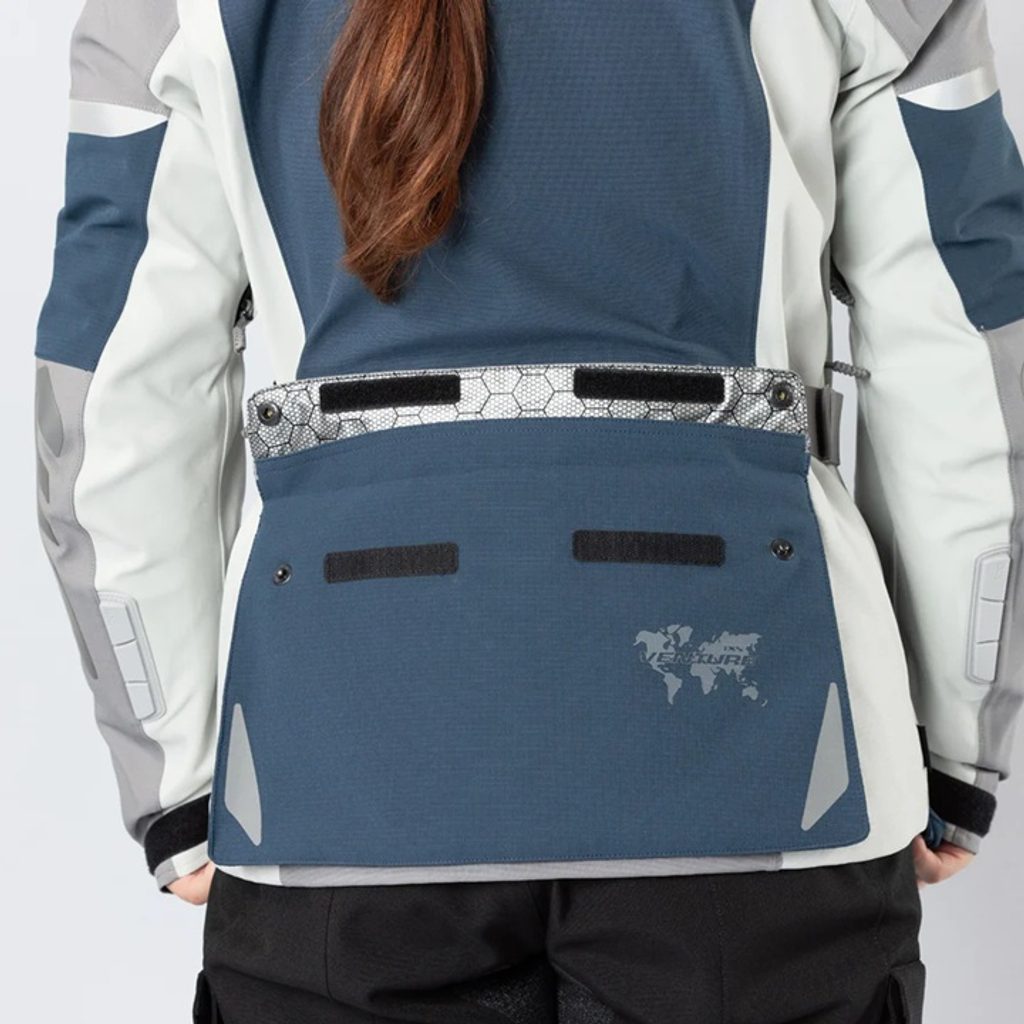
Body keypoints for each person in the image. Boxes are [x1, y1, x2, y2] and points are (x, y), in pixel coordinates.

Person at [32, 1, 1023, 1021]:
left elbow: (116, 404)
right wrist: (957, 742)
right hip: (763, 762)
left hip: (336, 778)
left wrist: (175, 775)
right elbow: (965, 356)